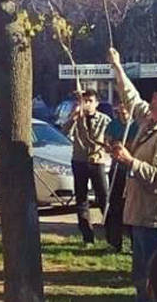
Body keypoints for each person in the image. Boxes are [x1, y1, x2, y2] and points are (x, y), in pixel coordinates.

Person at [107, 47, 157, 301]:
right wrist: (117, 67)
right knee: (142, 282)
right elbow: (132, 99)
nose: (153, 96)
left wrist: (130, 162)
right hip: (143, 218)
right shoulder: (150, 123)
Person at [62, 89, 111, 245]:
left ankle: (111, 235)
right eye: (85, 101)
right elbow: (64, 131)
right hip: (79, 161)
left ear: (96, 103)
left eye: (90, 101)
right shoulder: (77, 119)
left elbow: (109, 140)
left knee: (103, 197)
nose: (87, 104)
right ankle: (87, 236)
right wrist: (73, 117)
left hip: (97, 161)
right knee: (81, 199)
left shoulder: (104, 120)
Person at [104, 102, 139, 253]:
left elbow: (136, 146)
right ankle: (115, 242)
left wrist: (125, 147)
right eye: (121, 111)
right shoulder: (113, 124)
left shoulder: (136, 126)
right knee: (115, 206)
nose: (123, 114)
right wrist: (111, 145)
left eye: (126, 112)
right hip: (116, 169)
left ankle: (134, 243)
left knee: (132, 206)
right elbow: (106, 142)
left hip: (131, 170)